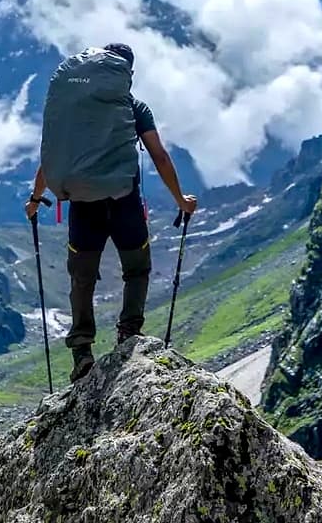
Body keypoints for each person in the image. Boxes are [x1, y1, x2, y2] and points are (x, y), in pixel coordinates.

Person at [26, 42, 198, 383]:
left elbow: (52, 159)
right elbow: (159, 156)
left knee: (82, 278)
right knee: (137, 268)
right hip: (125, 203)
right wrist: (180, 199)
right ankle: (128, 335)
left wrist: (35, 198)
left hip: (82, 207)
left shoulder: (75, 114)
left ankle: (82, 352)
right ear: (127, 74)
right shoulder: (135, 108)